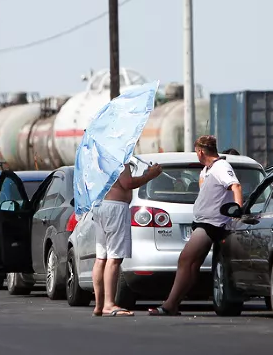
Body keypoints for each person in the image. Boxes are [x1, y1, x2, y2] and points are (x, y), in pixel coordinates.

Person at [149, 135, 243, 316]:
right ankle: (174, 303)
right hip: (204, 221)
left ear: (200, 152)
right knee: (192, 265)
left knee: (185, 260)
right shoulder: (207, 170)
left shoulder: (221, 166)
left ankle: (169, 305)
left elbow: (235, 186)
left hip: (211, 224)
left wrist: (238, 209)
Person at [91, 161, 163, 317]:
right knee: (114, 257)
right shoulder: (118, 157)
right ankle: (109, 304)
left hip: (101, 206)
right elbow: (127, 183)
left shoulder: (99, 156)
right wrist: (150, 175)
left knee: (101, 257)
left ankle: (99, 305)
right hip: (115, 208)